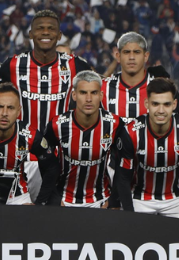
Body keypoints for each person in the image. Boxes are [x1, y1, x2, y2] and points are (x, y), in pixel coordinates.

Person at [0, 10, 93, 198]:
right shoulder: (12, 65)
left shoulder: (76, 66)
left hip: (62, 159)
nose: (46, 33)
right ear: (31, 34)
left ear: (59, 35)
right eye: (40, 28)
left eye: (51, 29)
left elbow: (93, 100)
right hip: (22, 159)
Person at [112, 78, 179, 219]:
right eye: (155, 104)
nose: (161, 111)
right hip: (139, 198)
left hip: (176, 198)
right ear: (146, 104)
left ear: (174, 104)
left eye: (166, 104)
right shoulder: (131, 132)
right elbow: (123, 178)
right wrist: (129, 216)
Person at [44, 70, 125, 207]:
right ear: (74, 95)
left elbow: (124, 163)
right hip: (64, 200)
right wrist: (54, 198)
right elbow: (44, 163)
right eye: (83, 93)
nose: (88, 99)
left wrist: (113, 200)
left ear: (101, 95)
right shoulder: (57, 125)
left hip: (100, 200)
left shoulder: (115, 124)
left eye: (93, 93)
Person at [102, 32, 175, 124]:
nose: (131, 57)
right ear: (118, 56)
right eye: (126, 52)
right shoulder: (103, 88)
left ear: (146, 56)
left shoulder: (162, 87)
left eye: (137, 52)